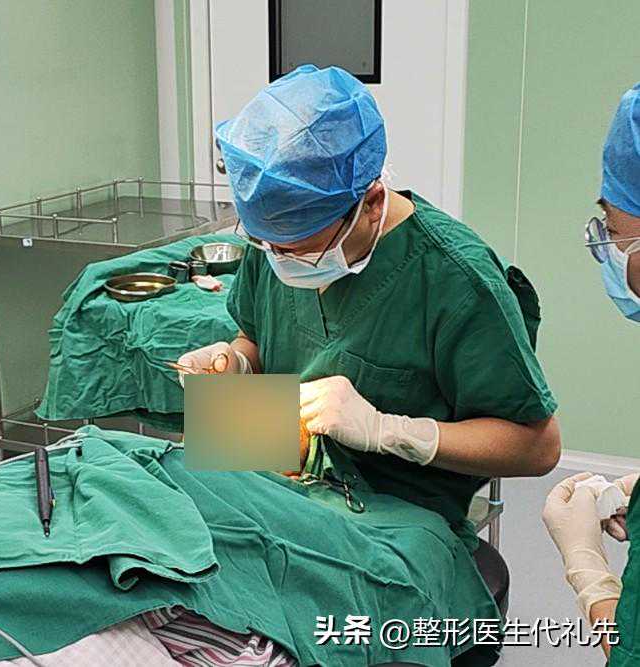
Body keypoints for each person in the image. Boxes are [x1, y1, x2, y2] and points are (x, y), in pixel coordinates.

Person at [178, 64, 562, 536]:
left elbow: (539, 447)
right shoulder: (277, 235)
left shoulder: (456, 280)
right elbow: (255, 335)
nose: (279, 259)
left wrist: (390, 430)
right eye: (266, 243)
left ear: (373, 202)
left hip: (388, 512)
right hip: (277, 464)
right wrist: (234, 363)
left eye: (300, 248)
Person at [543, 82, 640, 665]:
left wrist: (591, 578)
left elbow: (535, 446)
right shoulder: (259, 264)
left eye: (614, 225)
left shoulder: (450, 269)